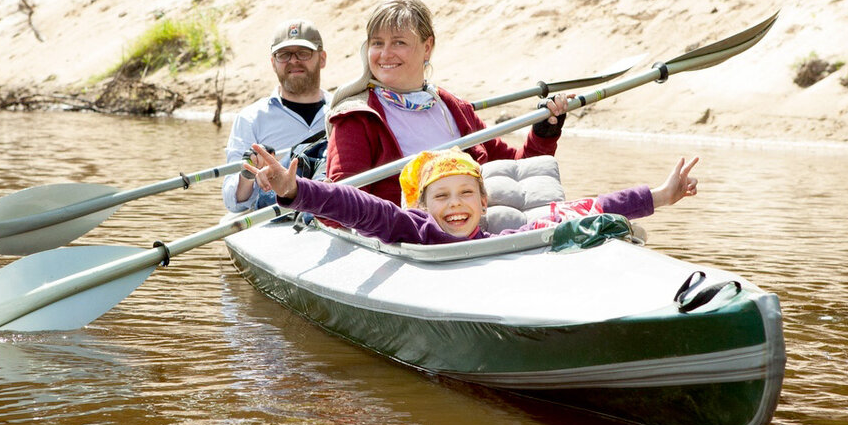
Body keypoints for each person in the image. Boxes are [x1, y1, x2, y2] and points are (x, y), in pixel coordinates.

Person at [325, 0, 571, 205]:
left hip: (470, 234)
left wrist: (544, 133)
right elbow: (341, 208)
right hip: (409, 244)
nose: (385, 54)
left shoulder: (454, 108)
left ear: (427, 46)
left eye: (399, 42)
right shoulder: (355, 118)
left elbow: (518, 170)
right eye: (377, 43)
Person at [245, 144, 700, 246]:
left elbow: (591, 208)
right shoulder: (411, 226)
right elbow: (357, 206)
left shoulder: (501, 230)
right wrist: (293, 191)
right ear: (423, 204)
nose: (456, 204)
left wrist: (659, 196)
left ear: (485, 203)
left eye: (466, 193)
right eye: (441, 196)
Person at [221, 19, 331, 213]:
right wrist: (248, 174)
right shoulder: (250, 118)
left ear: (322, 58)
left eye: (303, 53)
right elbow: (233, 202)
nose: (294, 61)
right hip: (276, 218)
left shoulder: (341, 110)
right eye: (284, 55)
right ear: (273, 63)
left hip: (332, 211)